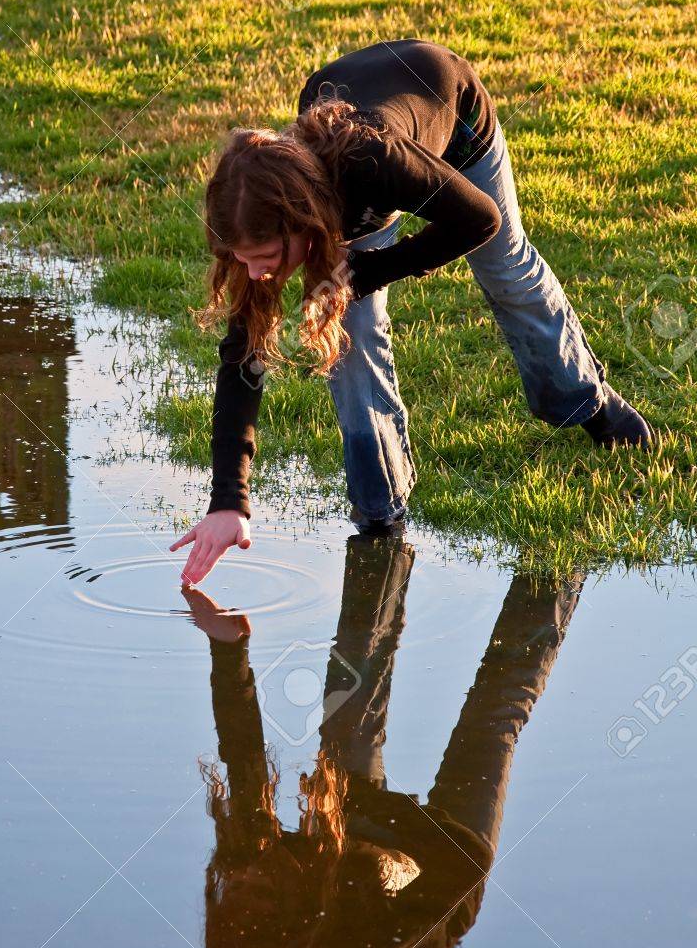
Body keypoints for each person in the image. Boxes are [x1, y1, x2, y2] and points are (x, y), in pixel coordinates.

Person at [170, 38, 652, 585]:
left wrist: (369, 272)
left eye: (266, 258)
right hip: (351, 163)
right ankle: (381, 513)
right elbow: (243, 355)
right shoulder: (260, 215)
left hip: (452, 111)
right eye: (243, 260)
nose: (256, 273)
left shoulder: (374, 162)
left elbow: (480, 220)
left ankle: (589, 403)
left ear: (301, 223)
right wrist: (228, 500)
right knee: (350, 330)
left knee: (507, 273)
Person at [184, 533, 584, 948]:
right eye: (263, 893)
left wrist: (228, 648)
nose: (250, 874)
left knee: (347, 704)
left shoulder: (247, 861)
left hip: (358, 832)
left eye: (236, 890)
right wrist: (361, 803)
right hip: (450, 867)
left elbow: (243, 755)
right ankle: (561, 556)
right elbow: (466, 862)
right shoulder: (369, 931)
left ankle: (381, 541)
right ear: (295, 919)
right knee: (492, 718)